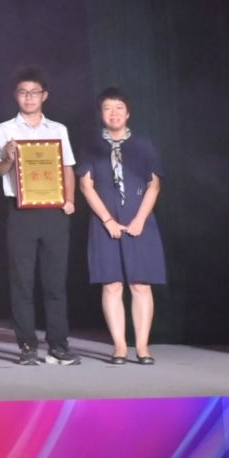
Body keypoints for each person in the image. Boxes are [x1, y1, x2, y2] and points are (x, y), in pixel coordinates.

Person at [0, 67, 78, 365]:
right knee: (22, 282)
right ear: (16, 96)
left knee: (55, 283)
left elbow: (67, 167)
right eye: (23, 92)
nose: (29, 98)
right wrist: (7, 157)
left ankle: (59, 345)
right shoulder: (4, 130)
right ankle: (27, 345)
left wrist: (70, 199)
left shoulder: (58, 130)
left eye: (34, 92)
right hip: (20, 212)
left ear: (44, 96)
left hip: (53, 211)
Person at [78, 87, 163, 365]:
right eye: (107, 108)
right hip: (105, 223)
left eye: (118, 108)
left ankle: (143, 347)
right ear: (100, 114)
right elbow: (86, 185)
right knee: (112, 285)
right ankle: (119, 346)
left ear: (128, 113)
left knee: (140, 284)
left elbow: (154, 185)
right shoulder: (91, 145)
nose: (113, 113)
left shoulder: (143, 145)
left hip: (141, 222)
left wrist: (139, 220)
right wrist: (107, 220)